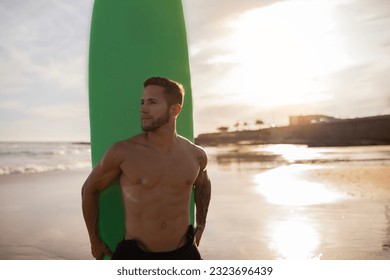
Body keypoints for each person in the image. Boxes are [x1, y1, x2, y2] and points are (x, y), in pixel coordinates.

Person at [82, 77, 211, 260]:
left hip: (184, 252)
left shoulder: (196, 155)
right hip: (135, 254)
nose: (142, 109)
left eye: (152, 102)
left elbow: (203, 184)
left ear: (175, 110)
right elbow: (89, 189)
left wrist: (202, 222)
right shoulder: (123, 152)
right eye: (142, 102)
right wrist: (94, 240)